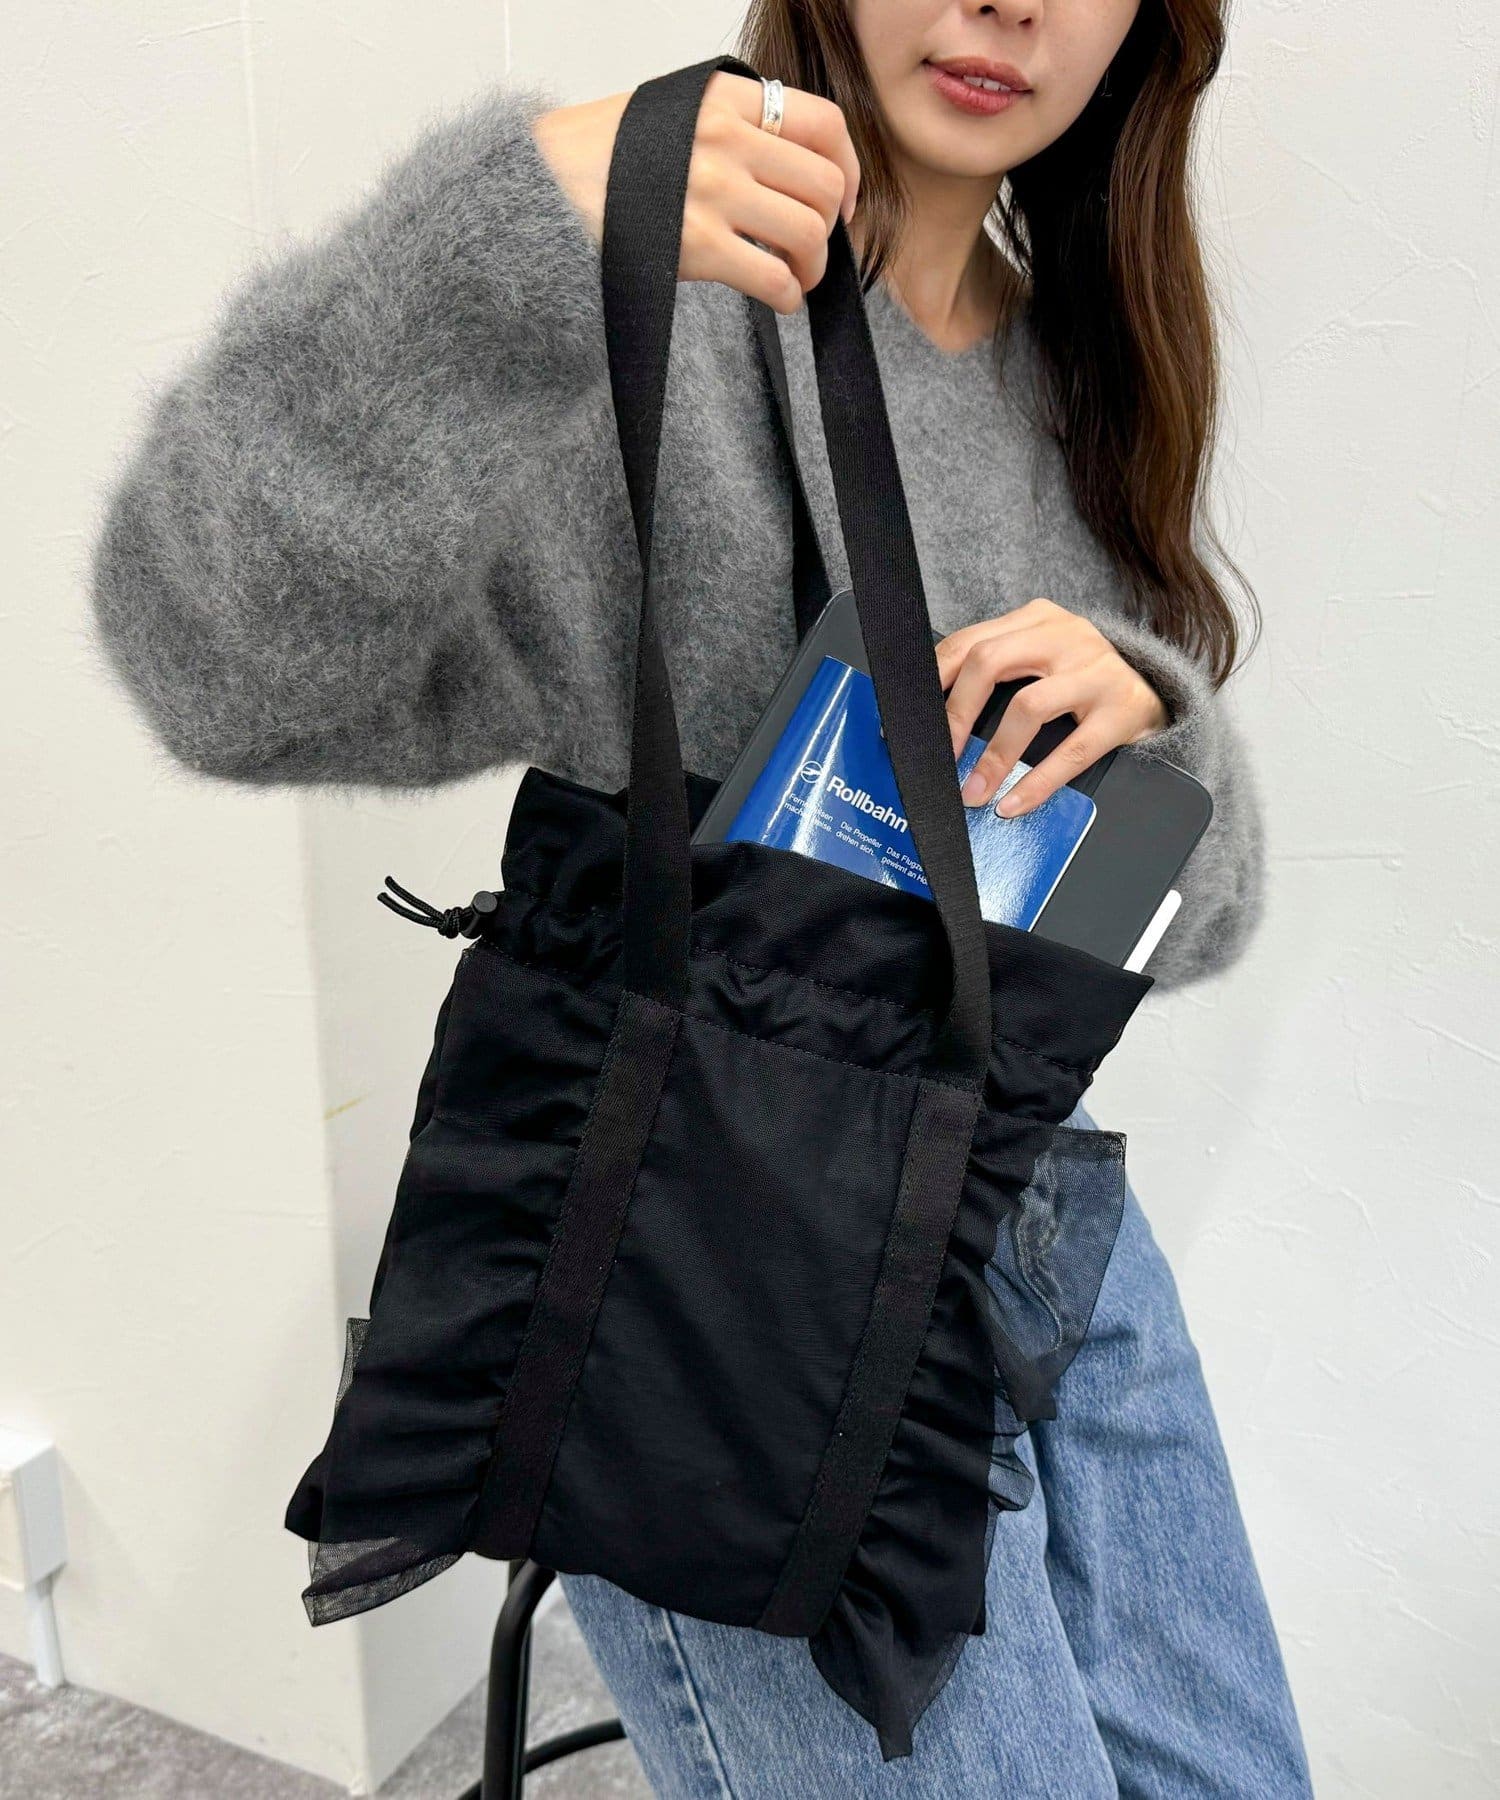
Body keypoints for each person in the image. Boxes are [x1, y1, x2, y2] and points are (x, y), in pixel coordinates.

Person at [87, 0, 1312, 1792]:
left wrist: (1152, 725)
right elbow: (211, 665)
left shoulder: (1082, 371)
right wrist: (503, 243)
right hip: (726, 1268)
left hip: (1041, 1232)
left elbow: (1194, 926)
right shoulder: (653, 312)